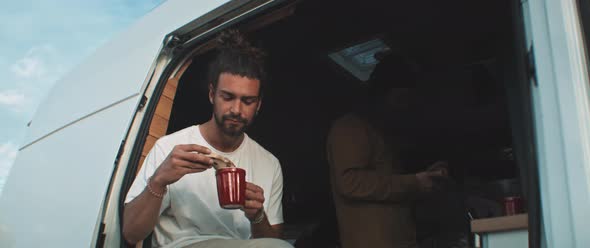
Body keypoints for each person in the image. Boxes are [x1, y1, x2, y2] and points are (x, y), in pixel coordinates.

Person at [122, 29, 292, 248]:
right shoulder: (170, 148)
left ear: (258, 105)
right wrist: (159, 180)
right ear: (212, 94)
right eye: (228, 97)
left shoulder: (269, 164)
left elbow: (272, 241)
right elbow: (130, 234)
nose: (236, 109)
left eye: (247, 101)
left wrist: (257, 215)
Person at [325, 53, 448, 248]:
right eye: (401, 97)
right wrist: (414, 182)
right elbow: (349, 183)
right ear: (382, 94)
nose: (405, 106)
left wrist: (424, 178)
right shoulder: (349, 128)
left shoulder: (382, 133)